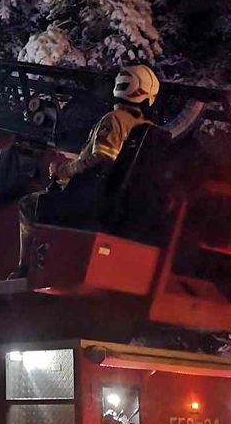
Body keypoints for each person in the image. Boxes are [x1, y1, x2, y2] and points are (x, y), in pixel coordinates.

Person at [13, 63, 160, 276]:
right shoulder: (145, 129)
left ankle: (24, 269)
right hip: (114, 203)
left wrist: (65, 170)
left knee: (29, 205)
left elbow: (101, 158)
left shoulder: (114, 119)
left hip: (91, 200)